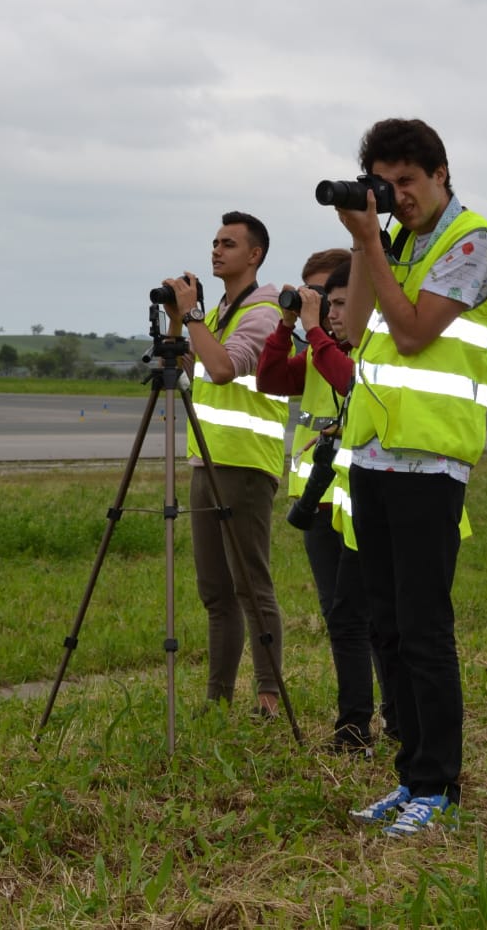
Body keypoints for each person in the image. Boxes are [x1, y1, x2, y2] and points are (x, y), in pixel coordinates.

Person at [334, 118, 487, 837]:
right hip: (375, 454)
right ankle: (410, 775)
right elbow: (351, 329)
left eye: (407, 181)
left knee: (424, 628)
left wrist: (372, 241)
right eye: (386, 183)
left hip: (431, 460)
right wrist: (362, 240)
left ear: (441, 173)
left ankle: (438, 783)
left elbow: (411, 332)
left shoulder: (473, 242)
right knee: (385, 625)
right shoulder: (393, 242)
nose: (397, 196)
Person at [158, 212, 289, 716]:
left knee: (250, 586)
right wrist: (178, 319)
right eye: (214, 242)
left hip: (246, 466)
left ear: (254, 255)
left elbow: (221, 367)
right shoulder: (219, 315)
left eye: (228, 243)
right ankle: (217, 698)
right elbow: (189, 370)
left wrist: (192, 318)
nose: (216, 250)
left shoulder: (262, 311)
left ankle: (268, 695)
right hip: (205, 462)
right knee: (215, 591)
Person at [257, 250, 385, 752]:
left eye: (334, 300)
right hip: (318, 502)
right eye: (318, 299)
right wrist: (286, 324)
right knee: (342, 618)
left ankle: (370, 723)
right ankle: (356, 723)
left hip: (359, 500)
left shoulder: (369, 350)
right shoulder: (316, 348)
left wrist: (311, 330)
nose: (327, 311)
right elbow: (269, 379)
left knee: (370, 620)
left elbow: (348, 379)